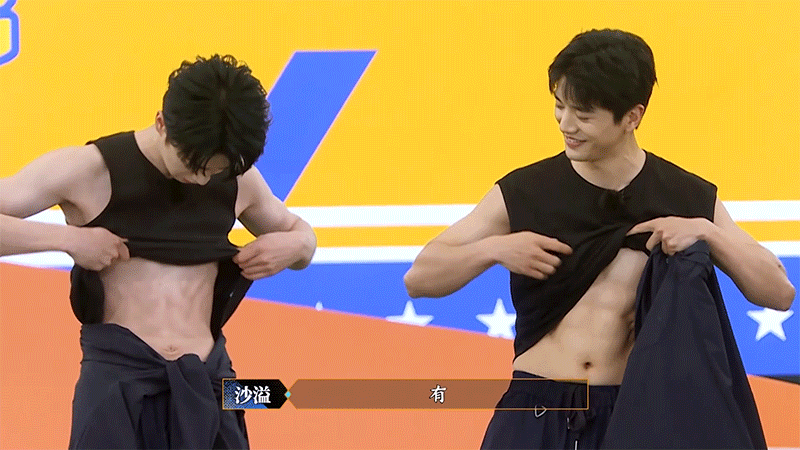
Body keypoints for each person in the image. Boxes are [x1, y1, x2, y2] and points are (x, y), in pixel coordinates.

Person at [403, 29, 795, 449]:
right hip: (536, 408)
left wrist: (708, 233)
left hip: (630, 416)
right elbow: (420, 278)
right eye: (560, 106)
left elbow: (778, 292)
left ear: (632, 117)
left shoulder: (685, 196)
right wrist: (494, 249)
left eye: (584, 114)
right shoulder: (526, 191)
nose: (566, 124)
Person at [0, 54, 317, 449]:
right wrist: (67, 240)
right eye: (193, 164)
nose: (202, 180)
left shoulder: (239, 179)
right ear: (162, 123)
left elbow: (301, 238)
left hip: (211, 384)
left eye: (214, 171)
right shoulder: (87, 170)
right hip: (118, 383)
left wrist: (296, 244)